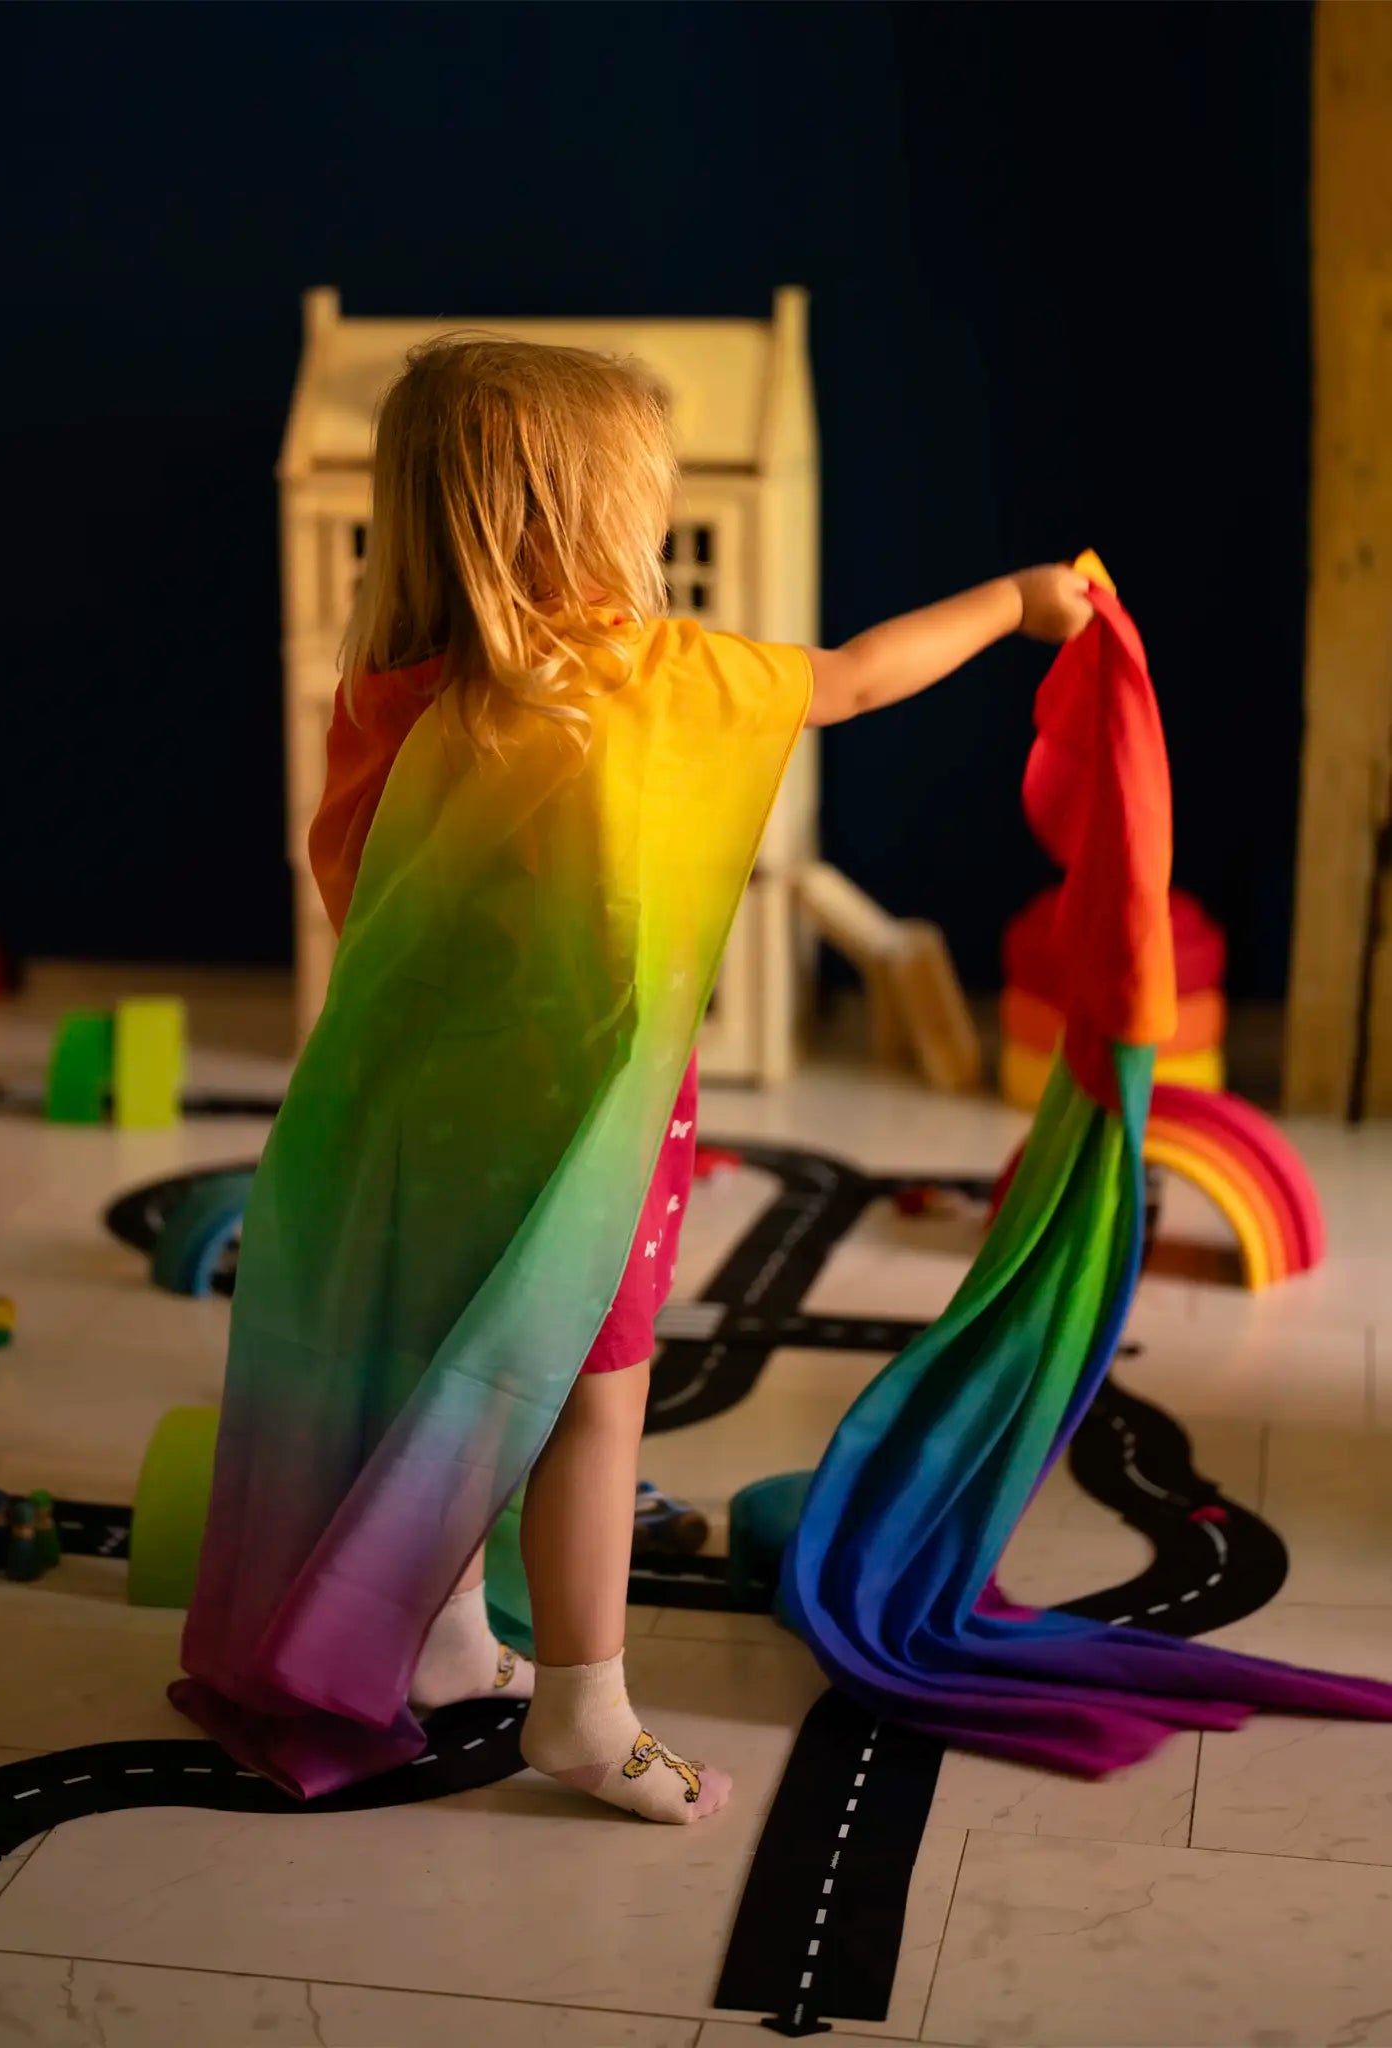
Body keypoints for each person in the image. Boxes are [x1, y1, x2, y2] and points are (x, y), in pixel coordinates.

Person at [171, 335, 1093, 1824]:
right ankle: (584, 1714)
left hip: (407, 1126)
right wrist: (1020, 602)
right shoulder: (645, 681)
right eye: (644, 497)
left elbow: (365, 905)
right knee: (596, 1400)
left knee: (452, 1375)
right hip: (582, 1146)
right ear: (578, 517)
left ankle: (447, 1638)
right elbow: (853, 681)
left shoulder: (386, 695)